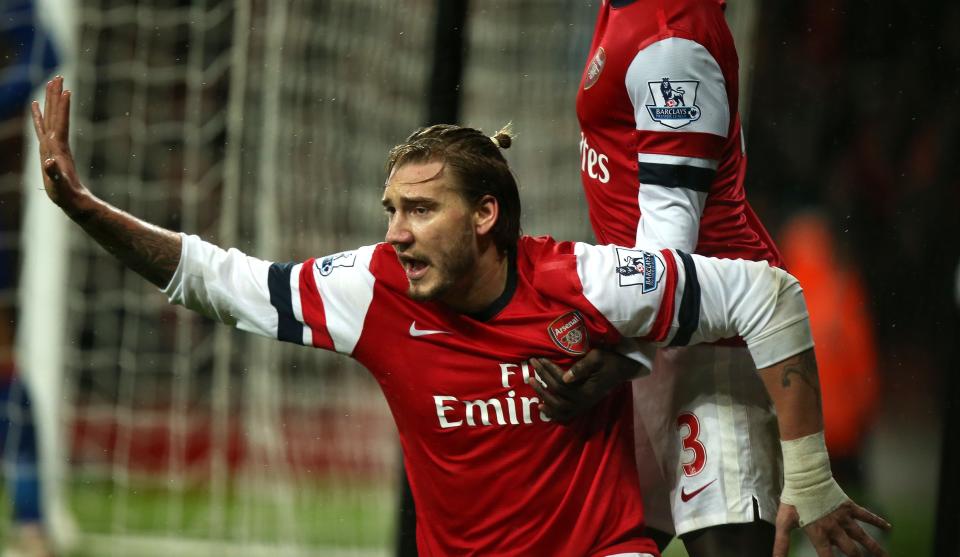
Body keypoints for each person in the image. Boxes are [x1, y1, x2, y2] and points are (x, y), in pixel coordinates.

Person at [31, 77, 888, 556]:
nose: (392, 234)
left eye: (418, 210)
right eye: (389, 209)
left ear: (485, 215)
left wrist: (807, 473)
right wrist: (88, 210)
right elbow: (222, 280)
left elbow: (767, 292)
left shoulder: (585, 280)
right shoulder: (374, 289)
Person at [562, 1, 819, 555]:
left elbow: (669, 246)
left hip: (709, 340)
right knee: (608, 541)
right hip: (653, 326)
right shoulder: (629, 9)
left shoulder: (669, 38)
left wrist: (619, 353)